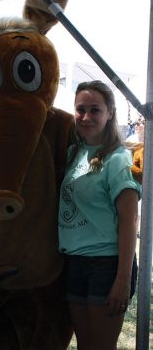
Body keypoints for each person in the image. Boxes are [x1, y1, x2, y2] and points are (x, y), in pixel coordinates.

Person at [58, 80, 141, 350]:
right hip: (74, 262)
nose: (86, 117)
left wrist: (122, 281)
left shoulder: (118, 159)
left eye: (95, 110)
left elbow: (130, 221)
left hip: (107, 265)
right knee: (84, 344)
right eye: (80, 109)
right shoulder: (75, 153)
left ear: (109, 114)